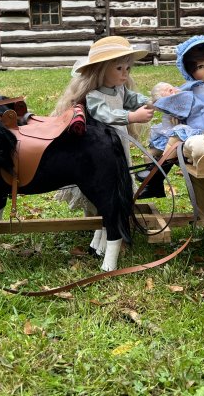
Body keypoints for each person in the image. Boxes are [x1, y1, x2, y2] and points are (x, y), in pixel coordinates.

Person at [53, 36, 158, 255]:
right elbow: (104, 114)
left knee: (118, 178)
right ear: (100, 70)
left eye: (127, 68)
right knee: (101, 183)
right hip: (100, 148)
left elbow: (133, 98)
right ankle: (100, 225)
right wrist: (131, 116)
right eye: (119, 68)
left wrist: (150, 101)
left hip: (118, 144)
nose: (125, 74)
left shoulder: (120, 90)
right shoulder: (94, 95)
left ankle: (105, 228)